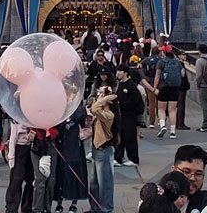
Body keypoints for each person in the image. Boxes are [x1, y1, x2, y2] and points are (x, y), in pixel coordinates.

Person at [54, 104, 88, 213]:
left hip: (74, 144)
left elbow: (82, 118)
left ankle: (74, 203)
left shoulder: (78, 107)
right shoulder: (59, 104)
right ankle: (59, 202)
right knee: (59, 172)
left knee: (75, 171)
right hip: (61, 142)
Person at [89, 85, 118, 213]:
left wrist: (104, 99)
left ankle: (106, 208)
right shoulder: (102, 110)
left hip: (104, 148)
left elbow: (95, 109)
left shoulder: (109, 114)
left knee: (105, 183)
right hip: (96, 147)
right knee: (94, 183)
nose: (99, 97)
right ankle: (95, 207)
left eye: (102, 96)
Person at [172, 144, 207, 213]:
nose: (192, 178)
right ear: (173, 170)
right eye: (186, 172)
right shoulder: (157, 198)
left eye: (198, 174)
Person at [114, 66, 142, 166]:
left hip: (130, 115)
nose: (118, 73)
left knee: (130, 136)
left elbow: (136, 101)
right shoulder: (120, 84)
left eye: (120, 71)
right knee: (120, 136)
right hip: (122, 115)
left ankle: (134, 158)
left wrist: (123, 104)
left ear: (125, 73)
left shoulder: (131, 85)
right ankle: (118, 157)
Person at [5, 120, 35, 213]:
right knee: (16, 179)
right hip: (19, 148)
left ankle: (27, 207)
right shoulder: (16, 119)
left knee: (31, 180)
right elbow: (13, 138)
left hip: (32, 148)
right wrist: (11, 156)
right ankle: (11, 208)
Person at [153, 46, 182, 139]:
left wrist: (154, 88)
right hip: (175, 88)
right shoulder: (178, 62)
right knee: (172, 110)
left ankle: (162, 126)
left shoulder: (161, 62)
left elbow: (157, 75)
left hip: (163, 87)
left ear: (164, 53)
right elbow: (182, 74)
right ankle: (173, 132)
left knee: (161, 109)